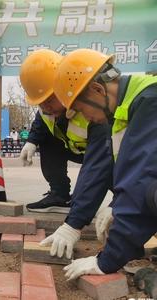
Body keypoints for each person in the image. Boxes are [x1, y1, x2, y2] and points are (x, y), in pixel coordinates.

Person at [51, 48, 157, 280]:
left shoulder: (150, 102)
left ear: (98, 90)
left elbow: (142, 184)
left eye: (80, 109)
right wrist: (118, 205)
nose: (84, 117)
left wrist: (106, 261)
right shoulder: (128, 109)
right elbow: (125, 172)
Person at [19, 49, 112, 219]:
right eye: (40, 103)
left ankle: (122, 200)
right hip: (74, 148)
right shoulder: (46, 110)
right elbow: (41, 121)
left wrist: (77, 215)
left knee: (113, 169)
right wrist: (31, 141)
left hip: (103, 151)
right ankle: (59, 194)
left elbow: (96, 166)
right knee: (46, 138)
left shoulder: (93, 105)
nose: (45, 108)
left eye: (49, 100)